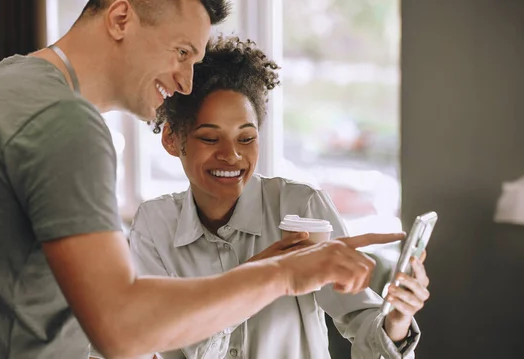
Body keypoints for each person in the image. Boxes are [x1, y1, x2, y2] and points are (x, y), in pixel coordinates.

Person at [0, 0, 403, 358]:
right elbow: (123, 328)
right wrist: (281, 274)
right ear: (120, 19)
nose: (187, 83)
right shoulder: (64, 121)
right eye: (181, 52)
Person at [130, 36, 430, 359]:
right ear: (172, 139)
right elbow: (157, 341)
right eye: (210, 137)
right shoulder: (154, 227)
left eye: (246, 138)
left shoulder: (302, 208)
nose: (231, 155)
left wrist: (397, 320)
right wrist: (264, 274)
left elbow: (362, 321)